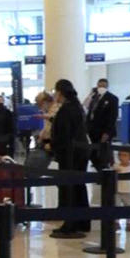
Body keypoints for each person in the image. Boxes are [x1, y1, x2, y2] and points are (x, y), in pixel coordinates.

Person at [50, 78, 91, 235]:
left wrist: (54, 145)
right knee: (79, 186)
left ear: (60, 92)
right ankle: (83, 220)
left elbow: (65, 134)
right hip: (79, 151)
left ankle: (71, 223)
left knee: (70, 187)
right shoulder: (76, 106)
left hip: (71, 154)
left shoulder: (67, 109)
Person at [85, 78, 119, 170]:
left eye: (103, 86)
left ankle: (103, 173)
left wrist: (107, 132)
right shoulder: (94, 97)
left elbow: (112, 117)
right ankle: (99, 170)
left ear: (107, 86)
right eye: (100, 86)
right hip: (92, 130)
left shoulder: (112, 99)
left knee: (103, 154)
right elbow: (88, 110)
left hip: (104, 131)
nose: (101, 87)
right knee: (92, 152)